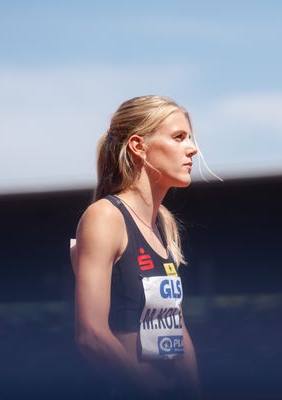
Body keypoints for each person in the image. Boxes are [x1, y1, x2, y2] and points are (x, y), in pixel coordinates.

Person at [71, 96, 201, 399]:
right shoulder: (105, 217)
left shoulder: (162, 225)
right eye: (178, 137)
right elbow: (91, 335)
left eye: (189, 138)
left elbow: (176, 325)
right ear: (138, 146)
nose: (192, 148)